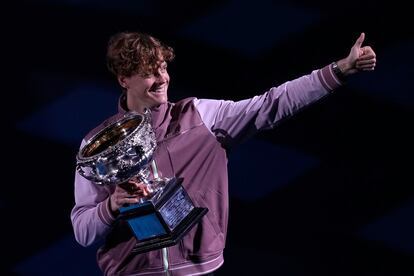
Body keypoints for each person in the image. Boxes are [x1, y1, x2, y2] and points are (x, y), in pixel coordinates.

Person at [70, 31, 376, 275]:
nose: (162, 78)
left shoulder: (201, 116)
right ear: (124, 80)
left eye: (163, 67)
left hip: (198, 269)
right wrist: (111, 206)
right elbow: (83, 232)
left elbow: (272, 104)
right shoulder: (97, 147)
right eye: (149, 72)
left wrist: (340, 70)